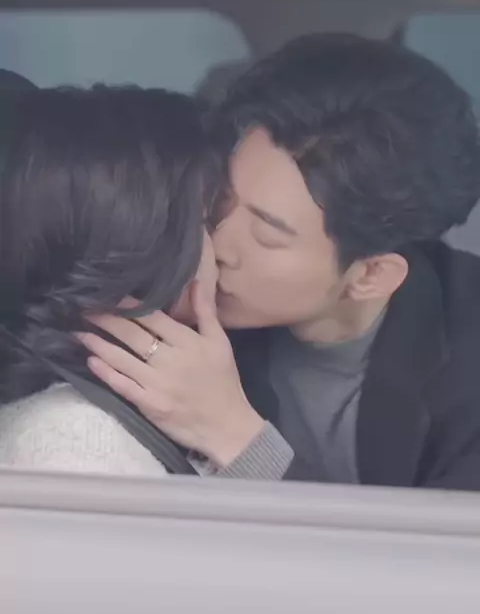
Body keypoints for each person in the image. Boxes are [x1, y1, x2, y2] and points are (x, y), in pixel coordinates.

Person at [79, 34, 480, 491]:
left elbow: (428, 541)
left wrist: (234, 435)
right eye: (221, 201)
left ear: (371, 275)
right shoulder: (181, 273)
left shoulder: (466, 368)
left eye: (267, 235)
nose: (218, 243)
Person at [0, 84, 218, 477]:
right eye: (205, 222)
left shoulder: (95, 414)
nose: (223, 248)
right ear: (143, 245)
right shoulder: (79, 443)